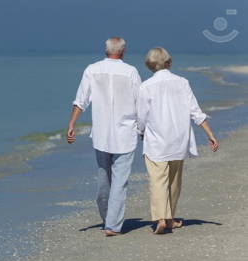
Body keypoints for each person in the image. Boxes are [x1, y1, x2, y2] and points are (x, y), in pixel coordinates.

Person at [137, 47, 219, 234]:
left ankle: (160, 219)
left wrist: (140, 133)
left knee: (158, 181)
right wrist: (210, 134)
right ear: (169, 62)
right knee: (174, 181)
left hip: (156, 141)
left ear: (150, 65)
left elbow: (141, 117)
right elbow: (195, 112)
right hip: (178, 140)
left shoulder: (146, 86)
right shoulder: (182, 82)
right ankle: (170, 218)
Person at [67, 37, 141, 236]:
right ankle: (112, 224)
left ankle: (108, 219)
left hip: (101, 134)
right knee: (119, 182)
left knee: (104, 180)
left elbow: (81, 100)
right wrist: (142, 129)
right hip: (125, 134)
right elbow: (139, 103)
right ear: (123, 52)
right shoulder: (130, 71)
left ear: (105, 50)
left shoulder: (92, 69)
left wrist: (72, 124)